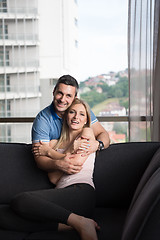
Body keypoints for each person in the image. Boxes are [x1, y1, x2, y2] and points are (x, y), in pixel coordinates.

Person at [11, 98, 100, 240]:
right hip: (62, 198)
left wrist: (50, 153)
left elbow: (74, 164)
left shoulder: (87, 133)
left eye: (82, 114)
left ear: (86, 120)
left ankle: (81, 223)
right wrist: (67, 152)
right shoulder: (55, 142)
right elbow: (54, 178)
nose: (77, 117)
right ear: (66, 116)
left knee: (21, 200)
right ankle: (71, 224)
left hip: (81, 193)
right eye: (72, 112)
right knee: (4, 214)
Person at [32, 74, 110, 178]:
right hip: (54, 175)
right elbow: (40, 159)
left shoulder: (81, 112)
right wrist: (58, 164)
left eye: (68, 95)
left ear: (74, 98)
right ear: (54, 91)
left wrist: (97, 145)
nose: (62, 99)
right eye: (60, 93)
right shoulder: (43, 120)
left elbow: (103, 134)